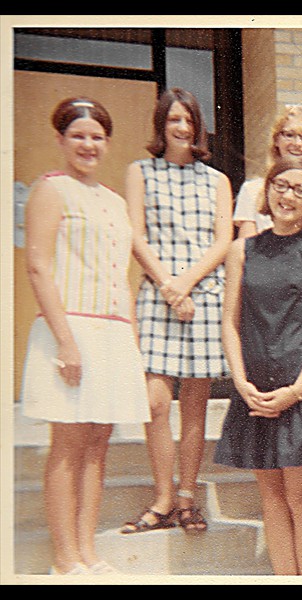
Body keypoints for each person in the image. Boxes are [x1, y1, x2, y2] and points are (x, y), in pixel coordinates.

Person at [20, 97, 150, 575]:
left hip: (113, 333)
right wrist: (66, 342)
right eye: (78, 135)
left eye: (97, 136)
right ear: (60, 140)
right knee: (69, 444)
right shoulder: (51, 190)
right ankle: (64, 560)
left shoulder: (115, 201)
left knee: (99, 443)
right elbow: (38, 266)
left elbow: (122, 277)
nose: (88, 145)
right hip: (69, 329)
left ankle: (88, 554)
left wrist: (130, 342)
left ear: (108, 143)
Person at [213, 157, 302, 575]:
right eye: (281, 186)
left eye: (300, 190)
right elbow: (230, 325)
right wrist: (241, 382)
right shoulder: (242, 249)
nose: (288, 195)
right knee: (270, 497)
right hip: (254, 390)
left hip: (297, 391)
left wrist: (298, 389)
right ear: (266, 192)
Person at [121, 87, 233, 534]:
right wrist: (169, 287)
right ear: (161, 126)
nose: (182, 128)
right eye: (173, 120)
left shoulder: (217, 180)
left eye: (188, 120)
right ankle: (162, 495)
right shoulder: (140, 172)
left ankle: (186, 497)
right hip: (158, 295)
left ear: (198, 126)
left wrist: (186, 284)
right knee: (155, 402)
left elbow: (222, 241)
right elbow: (136, 235)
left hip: (203, 296)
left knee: (195, 406)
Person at [233, 104, 302, 238]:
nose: (298, 143)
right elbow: (246, 248)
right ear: (276, 139)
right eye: (289, 135)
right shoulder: (251, 190)